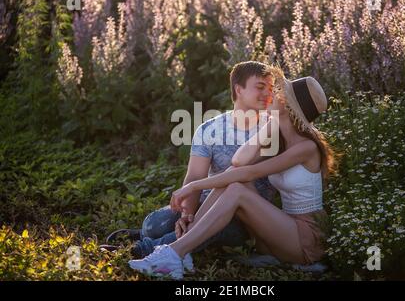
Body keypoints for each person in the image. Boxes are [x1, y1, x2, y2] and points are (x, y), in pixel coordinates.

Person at [128, 67, 336, 279]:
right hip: (278, 230)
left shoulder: (305, 148)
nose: (271, 94)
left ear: (288, 106)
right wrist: (272, 123)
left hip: (304, 239)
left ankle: (175, 252)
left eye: (279, 92)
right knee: (233, 178)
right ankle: (182, 249)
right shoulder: (279, 140)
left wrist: (193, 187)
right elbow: (239, 162)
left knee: (237, 188)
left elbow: (249, 173)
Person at [101, 61, 277, 263]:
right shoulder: (210, 129)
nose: (268, 94)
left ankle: (147, 248)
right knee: (154, 224)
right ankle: (156, 236)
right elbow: (195, 176)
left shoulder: (272, 130)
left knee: (218, 226)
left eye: (271, 89)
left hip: (246, 218)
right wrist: (188, 214)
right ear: (239, 89)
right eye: (261, 87)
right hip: (206, 204)